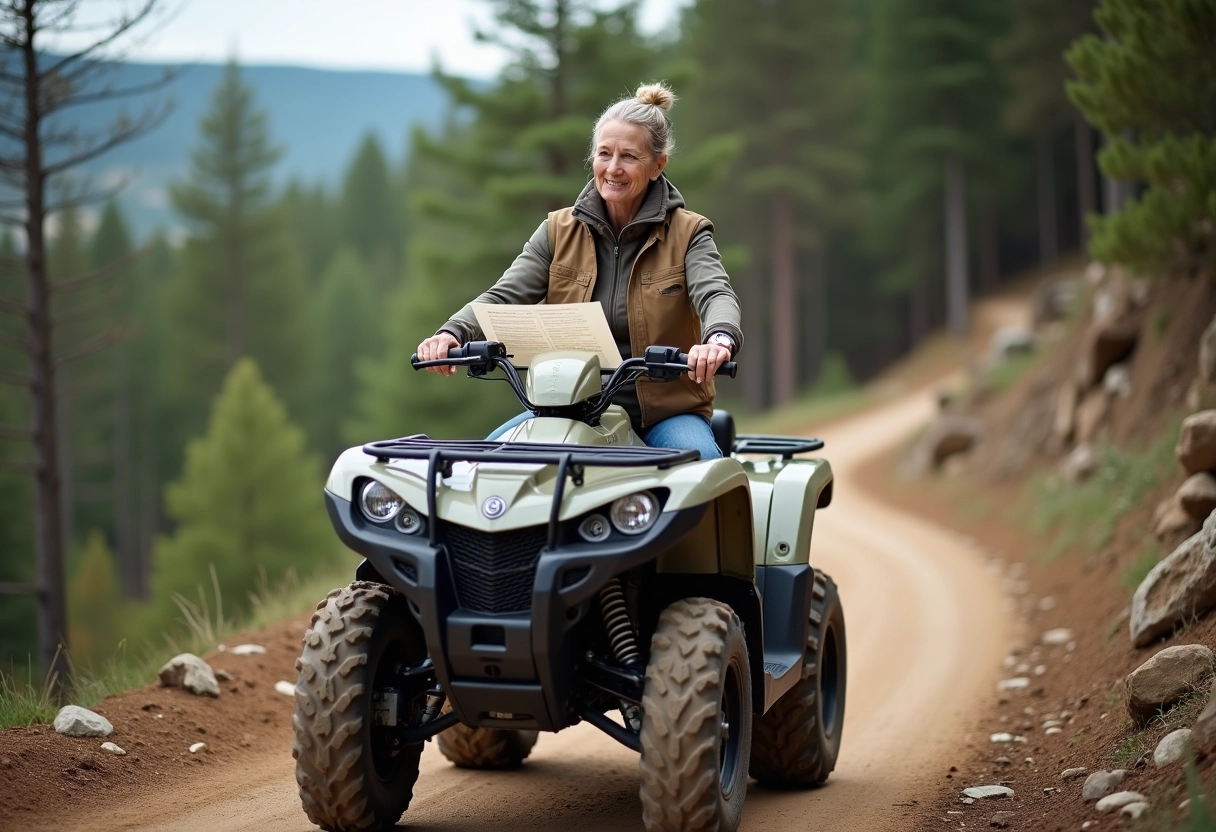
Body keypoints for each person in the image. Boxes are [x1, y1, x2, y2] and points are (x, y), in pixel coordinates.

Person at [415, 82, 743, 460]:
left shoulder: (688, 233)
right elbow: (503, 296)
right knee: (482, 466)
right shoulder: (558, 230)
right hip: (570, 411)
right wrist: (451, 332)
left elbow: (716, 294)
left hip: (666, 415)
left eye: (629, 157)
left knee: (702, 473)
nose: (613, 168)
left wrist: (718, 340)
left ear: (658, 165)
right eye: (604, 154)